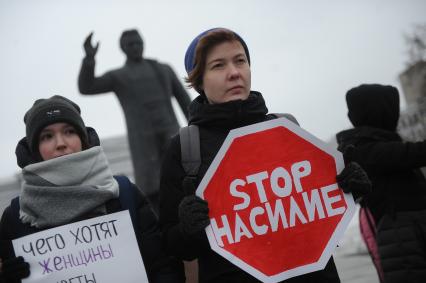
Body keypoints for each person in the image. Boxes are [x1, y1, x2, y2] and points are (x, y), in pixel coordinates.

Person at [159, 28, 371, 283]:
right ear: (199, 82)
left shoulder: (287, 127)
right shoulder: (185, 148)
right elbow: (172, 246)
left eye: (240, 61)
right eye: (218, 65)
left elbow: (318, 211)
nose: (234, 72)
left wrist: (349, 188)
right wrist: (187, 230)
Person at [0, 95, 184, 283]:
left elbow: (163, 267)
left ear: (83, 139)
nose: (61, 143)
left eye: (69, 131)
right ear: (34, 149)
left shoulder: (124, 193)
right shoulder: (15, 217)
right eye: (47, 136)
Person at [78, 29, 192, 214]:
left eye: (138, 43)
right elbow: (87, 87)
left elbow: (185, 102)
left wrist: (198, 128)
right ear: (123, 48)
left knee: (186, 183)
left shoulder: (163, 69)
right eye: (131, 44)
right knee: (156, 200)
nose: (136, 47)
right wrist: (89, 60)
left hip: (172, 137)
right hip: (144, 147)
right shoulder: (119, 76)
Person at [336, 84, 426, 283]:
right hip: (401, 239)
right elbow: (413, 153)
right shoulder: (365, 149)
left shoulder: (370, 144)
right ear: (382, 112)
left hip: (405, 236)